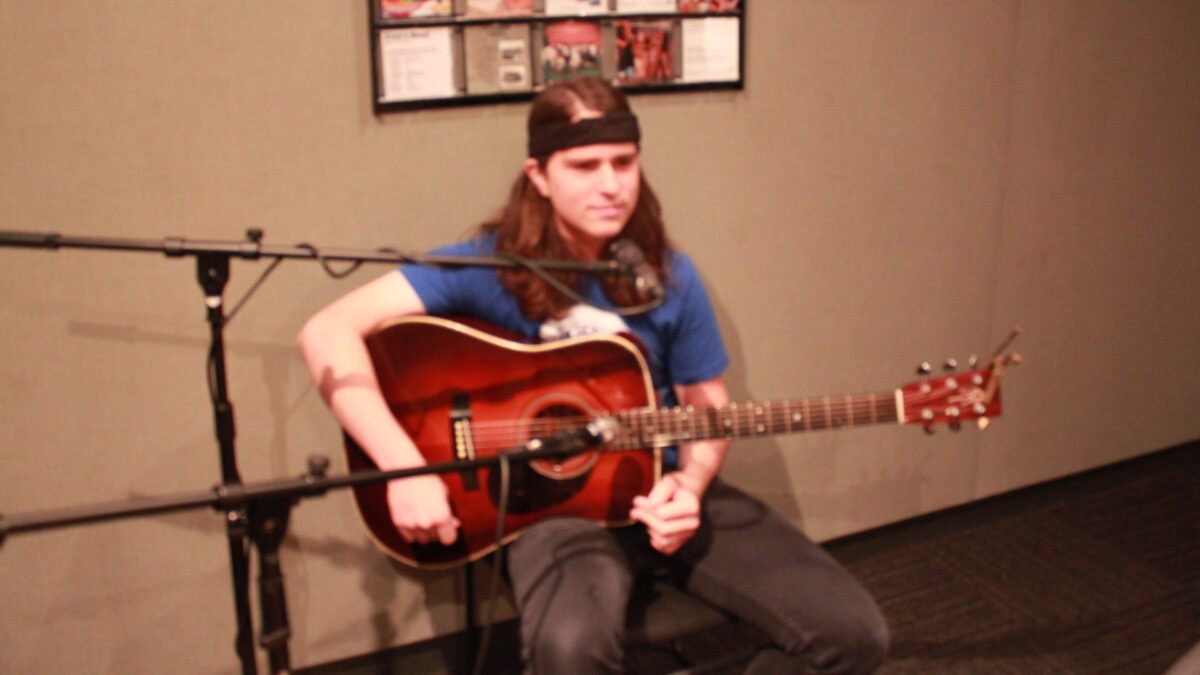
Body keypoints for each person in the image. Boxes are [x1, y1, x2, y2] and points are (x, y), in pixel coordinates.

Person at [298, 76, 889, 674]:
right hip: (547, 510)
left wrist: (690, 486)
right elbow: (325, 331)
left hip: (659, 488)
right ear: (539, 176)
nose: (611, 185)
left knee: (852, 632)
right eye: (585, 166)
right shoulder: (485, 266)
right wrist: (408, 468)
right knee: (570, 653)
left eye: (623, 162)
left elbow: (709, 411)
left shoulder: (668, 277)